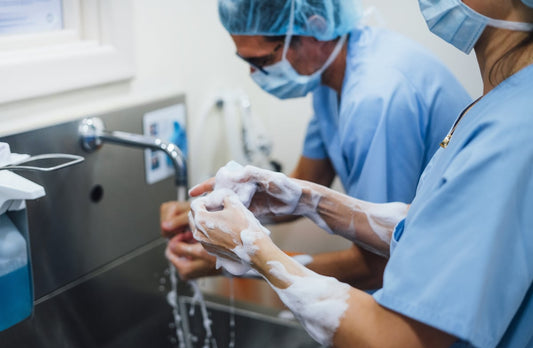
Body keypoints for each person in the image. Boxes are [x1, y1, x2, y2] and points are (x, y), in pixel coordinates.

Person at [188, 0, 533, 348]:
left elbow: (395, 341)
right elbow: (432, 228)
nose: (254, 74)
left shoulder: (507, 126)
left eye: (261, 60)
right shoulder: (502, 99)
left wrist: (254, 253)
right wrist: (307, 199)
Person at [161, 0, 471, 289]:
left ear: (315, 26)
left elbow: (380, 266)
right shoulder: (332, 78)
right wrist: (204, 210)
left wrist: (245, 264)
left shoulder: (376, 98)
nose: (254, 74)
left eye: (262, 60)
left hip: (453, 279)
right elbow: (298, 191)